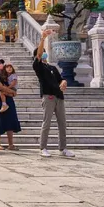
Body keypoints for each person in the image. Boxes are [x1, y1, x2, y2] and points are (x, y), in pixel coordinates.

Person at [33, 29, 74, 158]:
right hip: (48, 96)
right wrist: (43, 39)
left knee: (62, 123)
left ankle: (63, 148)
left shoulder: (52, 68)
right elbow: (39, 55)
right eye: (42, 53)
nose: (44, 54)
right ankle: (43, 147)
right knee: (47, 122)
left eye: (45, 53)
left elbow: (60, 79)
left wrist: (64, 82)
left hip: (59, 97)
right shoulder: (38, 67)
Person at [0, 59, 21, 150]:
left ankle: (11, 144)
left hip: (8, 98)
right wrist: (12, 91)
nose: (1, 65)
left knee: (11, 119)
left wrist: (12, 93)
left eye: (2, 63)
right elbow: (0, 87)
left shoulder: (5, 75)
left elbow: (13, 83)